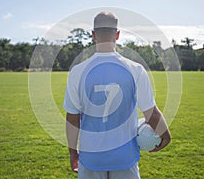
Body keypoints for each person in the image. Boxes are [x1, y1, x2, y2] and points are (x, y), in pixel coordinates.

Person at [63, 11, 171, 179]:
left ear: (93, 35)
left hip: (91, 158)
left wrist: (72, 152)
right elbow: (151, 112)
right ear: (118, 35)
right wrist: (165, 135)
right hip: (124, 158)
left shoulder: (77, 72)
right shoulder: (135, 69)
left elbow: (72, 118)